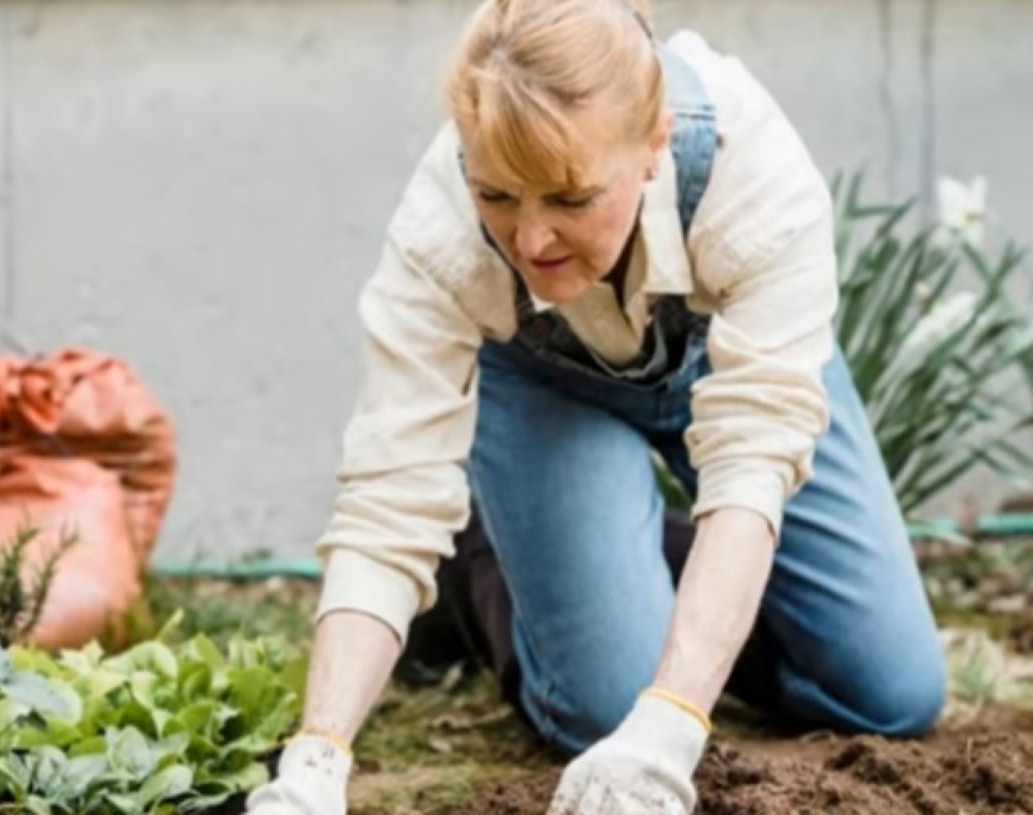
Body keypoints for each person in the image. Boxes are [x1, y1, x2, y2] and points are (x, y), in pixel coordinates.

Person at [247, 0, 947, 812]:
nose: (532, 239)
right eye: (498, 197)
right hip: (544, 389)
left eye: (570, 198)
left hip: (730, 370)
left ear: (652, 145)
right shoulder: (438, 231)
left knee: (894, 692)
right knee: (611, 706)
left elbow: (753, 461)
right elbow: (387, 498)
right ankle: (488, 571)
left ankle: (613, 560)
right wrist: (316, 759)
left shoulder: (746, 169)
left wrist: (677, 720)